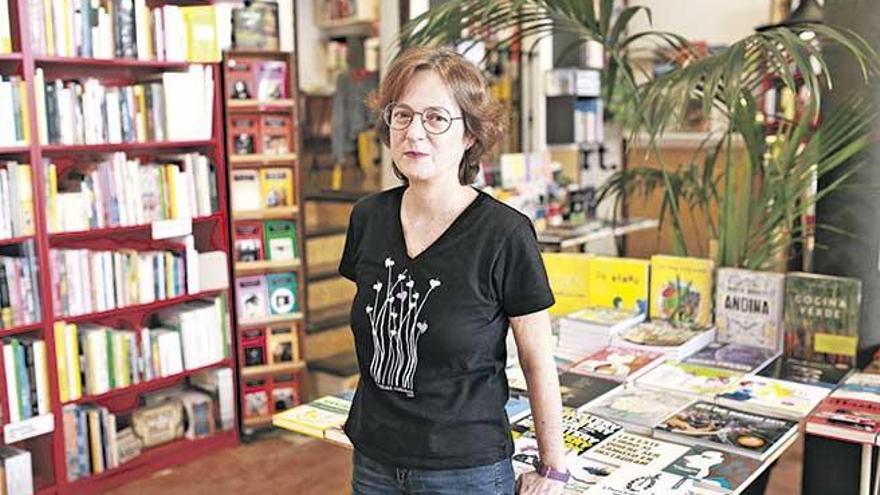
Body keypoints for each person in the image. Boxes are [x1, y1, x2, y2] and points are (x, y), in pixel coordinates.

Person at [338, 46, 567, 495]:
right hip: (374, 459)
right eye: (401, 115)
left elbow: (538, 361)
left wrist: (552, 467)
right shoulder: (368, 218)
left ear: (468, 135)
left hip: (465, 470)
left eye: (436, 118)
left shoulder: (504, 233)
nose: (414, 133)